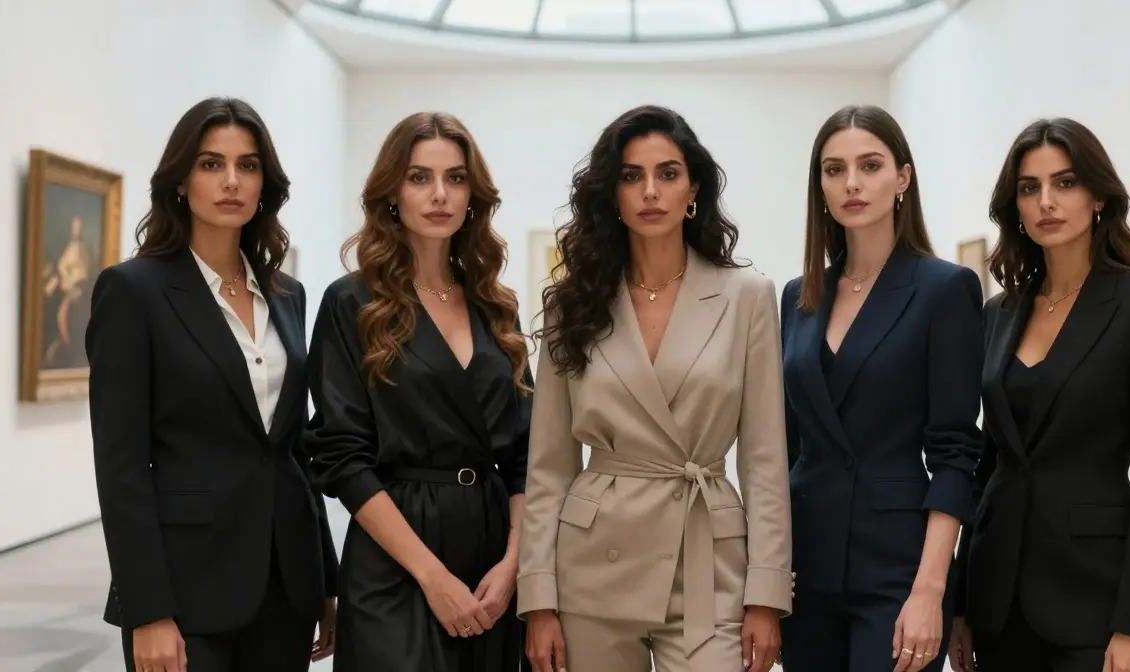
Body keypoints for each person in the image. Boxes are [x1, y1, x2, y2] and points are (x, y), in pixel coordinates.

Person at [518, 104, 792, 672]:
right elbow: (549, 467)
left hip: (707, 562)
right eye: (631, 176)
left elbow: (765, 459)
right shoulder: (571, 303)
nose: (650, 191)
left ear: (693, 187)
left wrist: (766, 594)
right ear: (611, 195)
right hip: (592, 566)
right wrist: (539, 598)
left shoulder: (748, 296)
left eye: (667, 174)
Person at [86, 97, 337, 672]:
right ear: (180, 181)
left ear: (264, 184)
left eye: (248, 166)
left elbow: (294, 451)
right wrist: (146, 611)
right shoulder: (133, 292)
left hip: (284, 584)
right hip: (183, 593)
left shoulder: (287, 296)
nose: (231, 181)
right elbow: (121, 466)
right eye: (210, 164)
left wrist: (324, 578)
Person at [947, 118, 1130, 672]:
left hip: (1095, 601)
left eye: (1065, 183)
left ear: (1099, 196)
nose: (1046, 202)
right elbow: (987, 467)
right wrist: (959, 604)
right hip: (997, 598)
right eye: (1029, 188)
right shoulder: (998, 313)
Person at [303, 111, 531, 671]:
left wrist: (513, 564)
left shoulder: (495, 306)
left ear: (473, 195)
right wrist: (431, 576)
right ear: (391, 193)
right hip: (395, 555)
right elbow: (342, 456)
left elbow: (528, 455)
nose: (440, 195)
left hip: (491, 549)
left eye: (455, 178)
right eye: (419, 177)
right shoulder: (352, 302)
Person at [778, 104, 985, 672]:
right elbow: (786, 446)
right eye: (833, 169)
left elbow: (954, 452)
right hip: (804, 566)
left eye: (869, 165)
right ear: (819, 185)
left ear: (902, 177)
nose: (851, 183)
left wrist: (930, 591)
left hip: (897, 568)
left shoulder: (945, 290)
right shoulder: (799, 296)